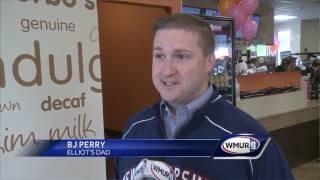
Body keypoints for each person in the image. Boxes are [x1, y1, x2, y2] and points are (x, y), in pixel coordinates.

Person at [115, 14, 293, 180]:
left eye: (181, 56)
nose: (166, 71)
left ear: (209, 62)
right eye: (159, 56)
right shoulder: (134, 128)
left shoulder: (248, 139)